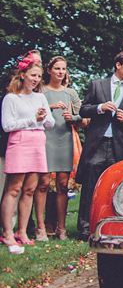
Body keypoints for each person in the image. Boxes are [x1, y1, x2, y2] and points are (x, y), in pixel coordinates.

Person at [77, 52, 123, 240]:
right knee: (91, 185)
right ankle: (85, 228)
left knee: (116, 187)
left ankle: (113, 225)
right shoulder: (97, 84)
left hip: (120, 145)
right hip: (98, 143)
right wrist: (99, 108)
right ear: (118, 65)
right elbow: (83, 110)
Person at [1, 55, 54, 250]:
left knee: (30, 189)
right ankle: (7, 233)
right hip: (20, 141)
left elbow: (50, 123)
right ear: (22, 75)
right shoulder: (11, 98)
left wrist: (43, 118)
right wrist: (32, 119)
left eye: (39, 76)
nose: (36, 79)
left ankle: (22, 231)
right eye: (33, 75)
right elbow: (7, 125)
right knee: (14, 189)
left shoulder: (40, 97)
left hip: (38, 142)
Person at [39, 56, 81, 240]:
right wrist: (50, 106)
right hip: (45, 139)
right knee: (44, 184)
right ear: (49, 70)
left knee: (63, 185)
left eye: (63, 69)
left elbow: (83, 117)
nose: (60, 72)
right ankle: (42, 226)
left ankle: (61, 228)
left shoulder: (71, 93)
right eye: (57, 68)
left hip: (64, 139)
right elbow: (33, 110)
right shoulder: (41, 91)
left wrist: (73, 117)